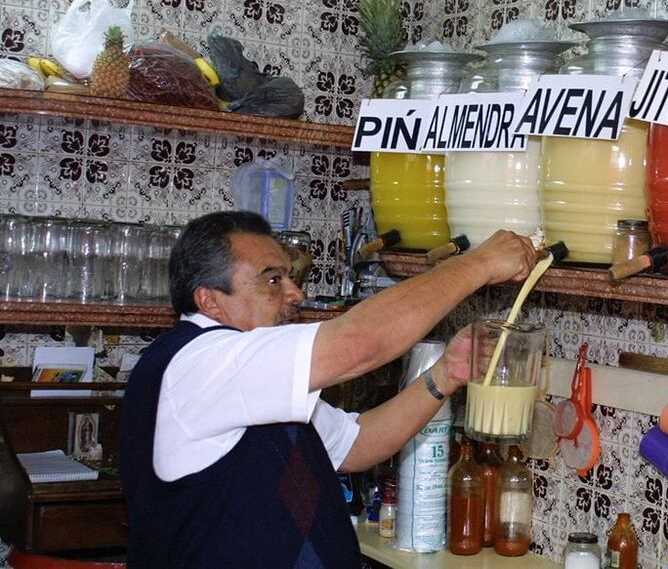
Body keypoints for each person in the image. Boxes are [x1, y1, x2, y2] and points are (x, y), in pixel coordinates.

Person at [120, 211, 538, 568]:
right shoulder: (204, 362)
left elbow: (357, 445)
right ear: (210, 301)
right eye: (271, 280)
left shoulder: (251, 377)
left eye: (289, 276)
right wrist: (480, 263)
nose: (294, 293)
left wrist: (445, 375)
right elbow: (359, 345)